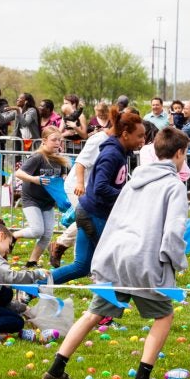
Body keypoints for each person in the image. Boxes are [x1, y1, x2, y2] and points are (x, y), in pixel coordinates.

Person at [43, 126, 190, 379]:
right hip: (146, 262)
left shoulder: (133, 182)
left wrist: (104, 255)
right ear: (179, 153)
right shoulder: (174, 186)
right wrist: (177, 261)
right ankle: (143, 375)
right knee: (164, 316)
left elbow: (115, 220)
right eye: (185, 154)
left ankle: (55, 370)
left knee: (93, 314)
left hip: (117, 258)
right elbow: (174, 231)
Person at [51, 108, 145, 285]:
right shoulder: (111, 155)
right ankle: (105, 305)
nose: (143, 140)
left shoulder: (120, 153)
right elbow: (100, 187)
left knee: (82, 267)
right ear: (125, 134)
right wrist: (125, 196)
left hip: (91, 212)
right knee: (113, 260)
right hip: (93, 214)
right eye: (139, 136)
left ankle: (35, 284)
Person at [48, 113, 114, 268]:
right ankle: (61, 246)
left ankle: (84, 259)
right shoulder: (98, 139)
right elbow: (80, 161)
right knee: (87, 218)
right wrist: (80, 183)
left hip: (92, 187)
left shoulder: (114, 141)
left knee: (90, 220)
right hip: (77, 186)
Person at [11, 126, 69, 267]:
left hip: (48, 201)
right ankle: (13, 235)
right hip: (32, 199)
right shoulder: (38, 157)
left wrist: (66, 178)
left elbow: (63, 176)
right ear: (44, 141)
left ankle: (32, 262)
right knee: (37, 230)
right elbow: (18, 174)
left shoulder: (59, 159)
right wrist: (35, 179)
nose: (57, 143)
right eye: (54, 140)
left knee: (47, 234)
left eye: (59, 140)